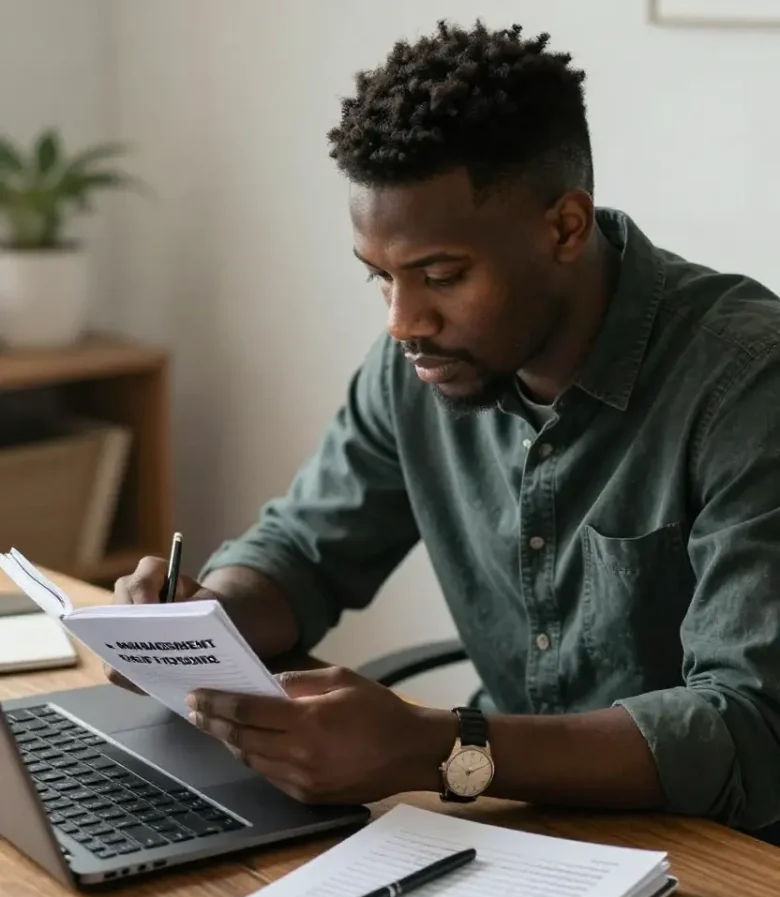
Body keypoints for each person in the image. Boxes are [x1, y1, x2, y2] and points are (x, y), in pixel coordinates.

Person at [110, 20, 780, 835]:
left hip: (721, 854)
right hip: (514, 820)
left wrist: (437, 748)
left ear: (565, 227)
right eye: (379, 278)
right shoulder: (422, 363)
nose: (402, 321)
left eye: (441, 275)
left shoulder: (748, 384)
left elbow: (748, 727)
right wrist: (196, 626)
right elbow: (303, 552)